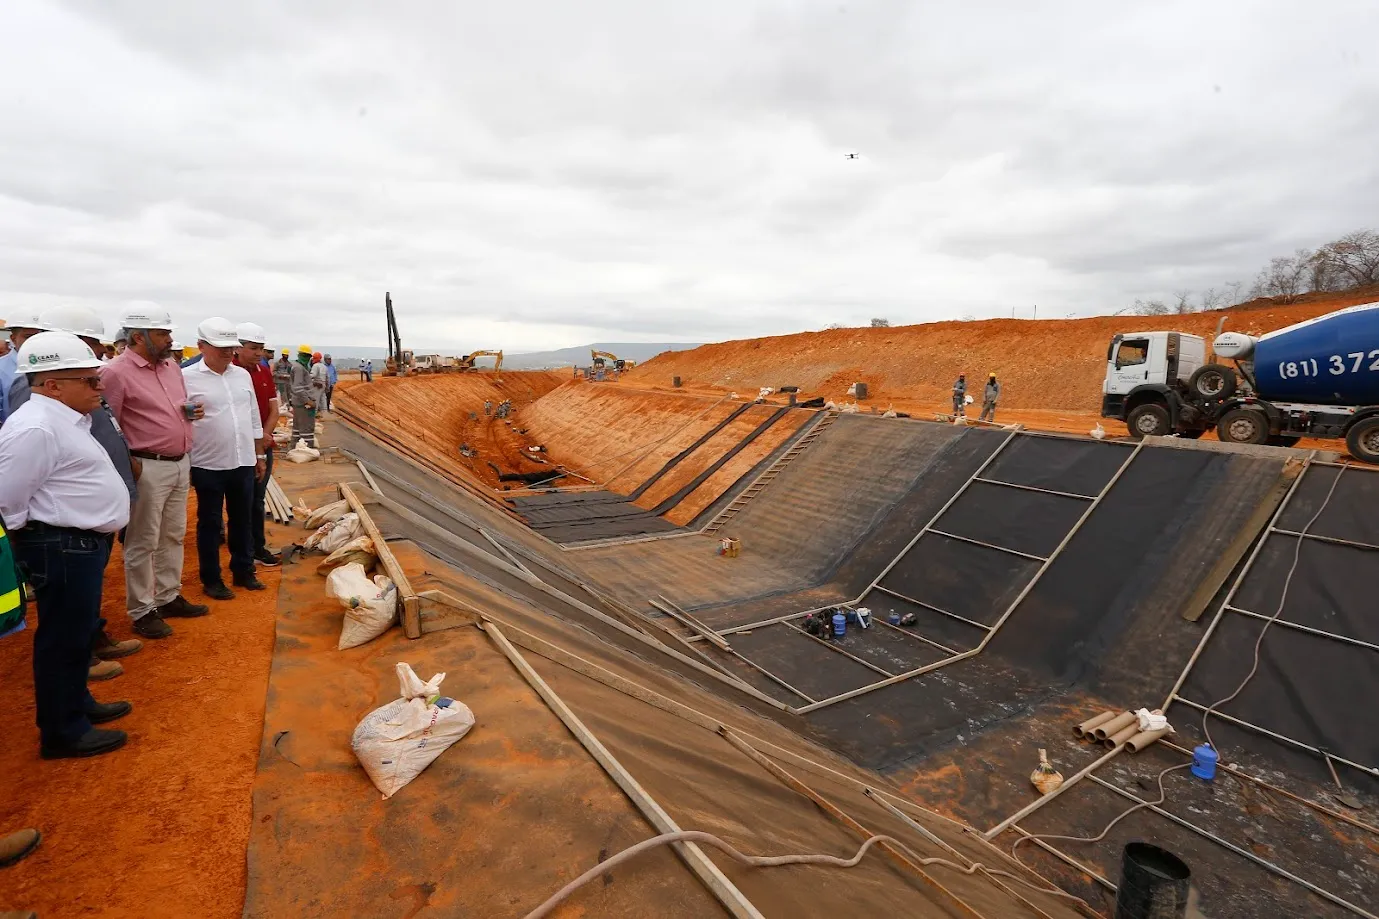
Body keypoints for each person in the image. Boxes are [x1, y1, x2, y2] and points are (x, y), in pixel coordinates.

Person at [0, 331, 133, 759]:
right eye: (89, 381)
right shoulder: (36, 427)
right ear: (52, 384)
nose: (100, 388)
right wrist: (38, 538)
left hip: (77, 544)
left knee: (76, 636)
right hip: (60, 547)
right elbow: (8, 497)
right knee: (62, 638)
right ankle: (63, 731)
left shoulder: (64, 418)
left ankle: (78, 705)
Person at [38, 306, 144, 666]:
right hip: (66, 528)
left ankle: (91, 641)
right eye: (88, 344)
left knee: (85, 593)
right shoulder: (40, 407)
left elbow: (102, 427)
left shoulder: (79, 387)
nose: (95, 353)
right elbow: (15, 492)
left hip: (91, 517)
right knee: (66, 610)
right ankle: (79, 667)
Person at [102, 304, 208, 640]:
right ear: (139, 336)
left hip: (179, 462)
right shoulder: (116, 372)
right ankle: (143, 609)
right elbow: (108, 424)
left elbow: (176, 407)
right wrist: (126, 465)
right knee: (143, 539)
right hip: (146, 465)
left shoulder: (171, 366)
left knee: (173, 534)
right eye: (163, 333)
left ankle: (168, 595)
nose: (170, 339)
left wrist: (188, 414)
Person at [183, 318, 265, 600]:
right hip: (207, 463)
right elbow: (180, 417)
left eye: (231, 347)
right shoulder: (186, 378)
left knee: (242, 520)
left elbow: (253, 415)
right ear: (201, 346)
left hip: (242, 459)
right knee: (210, 522)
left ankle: (243, 571)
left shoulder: (242, 376)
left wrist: (259, 453)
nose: (228, 353)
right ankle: (212, 578)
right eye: (221, 348)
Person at [234, 322, 282, 567]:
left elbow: (274, 409)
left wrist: (264, 436)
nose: (259, 354)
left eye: (261, 349)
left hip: (264, 444)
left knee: (257, 499)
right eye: (254, 348)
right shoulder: (230, 372)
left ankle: (257, 547)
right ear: (237, 348)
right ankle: (243, 552)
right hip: (240, 448)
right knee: (240, 501)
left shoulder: (263, 372)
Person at [1, 310, 49, 426]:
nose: (35, 341)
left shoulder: (52, 366)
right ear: (13, 338)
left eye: (40, 336)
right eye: (28, 337)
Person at [289, 344, 317, 447]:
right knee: (306, 427)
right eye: (304, 356)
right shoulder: (299, 368)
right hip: (303, 403)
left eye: (308, 356)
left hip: (299, 402)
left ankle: (294, 446)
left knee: (298, 427)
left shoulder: (299, 366)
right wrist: (307, 401)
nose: (306, 358)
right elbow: (298, 388)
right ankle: (307, 447)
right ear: (300, 355)